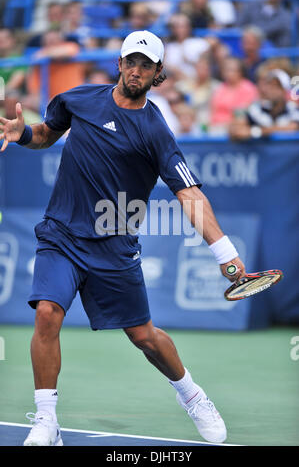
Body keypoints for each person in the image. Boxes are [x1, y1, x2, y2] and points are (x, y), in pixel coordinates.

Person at [0, 30, 246, 446]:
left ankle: (192, 395)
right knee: (46, 313)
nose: (136, 70)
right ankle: (46, 420)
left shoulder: (155, 131)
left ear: (157, 73)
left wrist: (225, 252)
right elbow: (47, 134)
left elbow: (189, 194)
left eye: (146, 65)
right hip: (61, 233)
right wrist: (24, 134)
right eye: (130, 61)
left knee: (144, 337)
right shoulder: (78, 99)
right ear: (119, 63)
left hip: (114, 246)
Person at [229, 68, 299, 141]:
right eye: (270, 85)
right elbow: (236, 128)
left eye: (277, 86)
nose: (272, 90)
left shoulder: (293, 108)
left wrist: (254, 132)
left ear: (285, 90)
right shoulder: (256, 109)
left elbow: (292, 128)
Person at [209, 56, 258, 134]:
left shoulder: (248, 88)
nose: (228, 73)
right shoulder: (219, 88)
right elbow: (212, 110)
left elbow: (243, 113)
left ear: (240, 72)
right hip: (215, 128)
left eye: (231, 70)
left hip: (235, 130)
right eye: (226, 70)